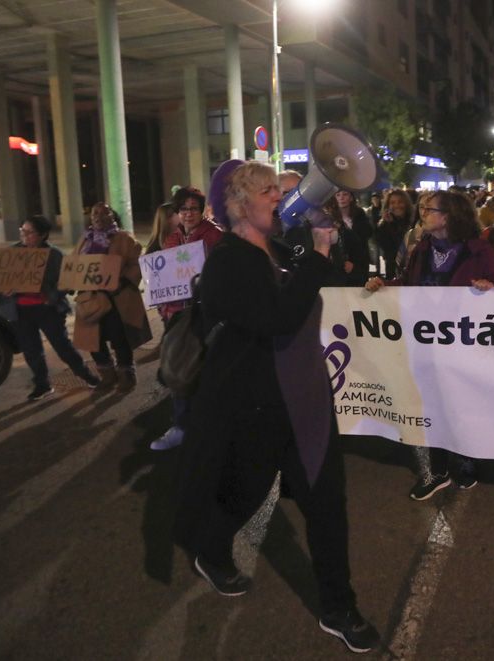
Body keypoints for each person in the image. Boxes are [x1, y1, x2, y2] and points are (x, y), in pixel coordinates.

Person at [172, 161, 379, 653]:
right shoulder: (228, 261)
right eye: (269, 191)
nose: (280, 198)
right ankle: (212, 548)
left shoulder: (285, 250)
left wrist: (342, 258)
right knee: (245, 494)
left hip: (307, 402)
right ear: (240, 205)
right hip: (257, 408)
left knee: (328, 506)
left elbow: (335, 277)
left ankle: (338, 606)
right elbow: (277, 319)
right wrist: (317, 259)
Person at [366, 190, 494, 499]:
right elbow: (407, 283)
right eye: (424, 208)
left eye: (430, 209)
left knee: (461, 403)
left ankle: (465, 462)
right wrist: (383, 286)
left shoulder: (478, 250)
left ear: (448, 217)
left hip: (464, 344)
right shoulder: (421, 249)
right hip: (427, 344)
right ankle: (438, 469)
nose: (423, 213)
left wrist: (489, 288)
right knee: (430, 404)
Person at [150, 186, 224, 451]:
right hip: (177, 315)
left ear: (201, 210)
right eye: (183, 209)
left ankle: (208, 427)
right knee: (179, 368)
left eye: (193, 208)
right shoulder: (172, 239)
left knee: (204, 370)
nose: (188, 213)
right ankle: (181, 425)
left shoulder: (214, 236)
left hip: (205, 315)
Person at [11, 215, 101, 400]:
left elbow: (66, 283)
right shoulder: (14, 253)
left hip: (47, 309)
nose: (25, 236)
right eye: (23, 231)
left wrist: (50, 297)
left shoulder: (54, 255)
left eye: (30, 232)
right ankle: (42, 384)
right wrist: (7, 290)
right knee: (31, 350)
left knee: (62, 346)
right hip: (21, 310)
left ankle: (86, 375)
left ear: (43, 235)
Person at [72, 202, 152, 392]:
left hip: (117, 299)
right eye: (94, 213)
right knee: (93, 340)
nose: (98, 216)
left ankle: (126, 374)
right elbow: (75, 265)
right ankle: (107, 375)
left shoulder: (123, 238)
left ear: (112, 216)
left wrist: (124, 280)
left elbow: (136, 263)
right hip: (90, 300)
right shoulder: (84, 240)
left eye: (103, 212)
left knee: (119, 338)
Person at [325, 192, 371, 286]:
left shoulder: (360, 214)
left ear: (351, 198)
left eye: (345, 194)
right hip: (340, 263)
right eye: (338, 195)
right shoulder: (330, 217)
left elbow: (368, 233)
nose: (341, 198)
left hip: (359, 260)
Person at [374, 190, 414, 280]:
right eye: (392, 203)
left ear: (406, 204)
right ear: (388, 206)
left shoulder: (413, 222)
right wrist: (388, 225)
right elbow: (387, 247)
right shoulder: (384, 224)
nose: (396, 205)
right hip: (393, 269)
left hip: (412, 267)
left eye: (400, 202)